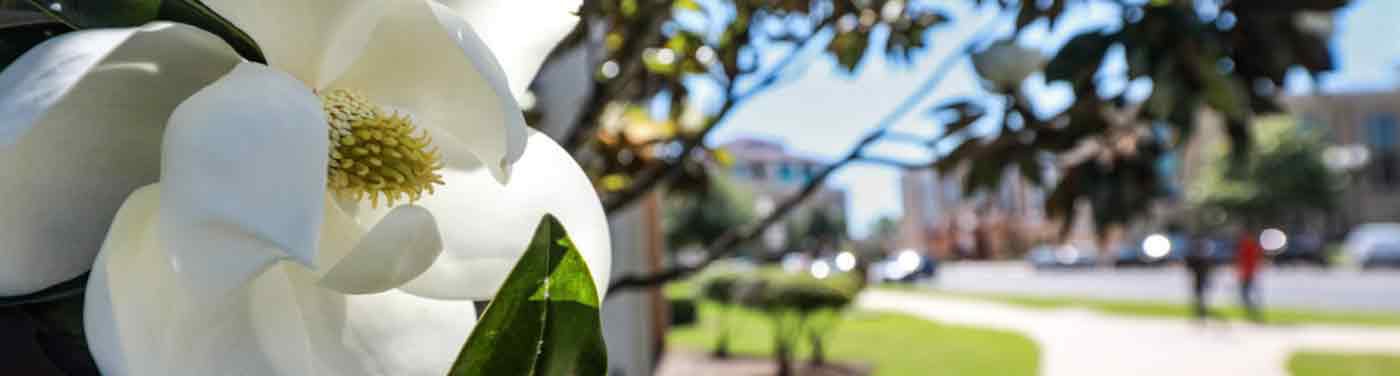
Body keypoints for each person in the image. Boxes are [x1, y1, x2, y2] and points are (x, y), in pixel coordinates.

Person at [1236, 227, 1264, 322]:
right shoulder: (1250, 245)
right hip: (1247, 273)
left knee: (1246, 293)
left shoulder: (1248, 246)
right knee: (1247, 293)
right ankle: (1252, 310)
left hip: (1248, 273)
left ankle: (1252, 310)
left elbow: (1245, 260)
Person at [1185, 234, 1215, 322]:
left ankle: (1201, 310)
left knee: (1200, 294)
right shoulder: (1200, 257)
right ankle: (1200, 310)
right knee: (1199, 294)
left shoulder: (1203, 258)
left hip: (1201, 278)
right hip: (1198, 278)